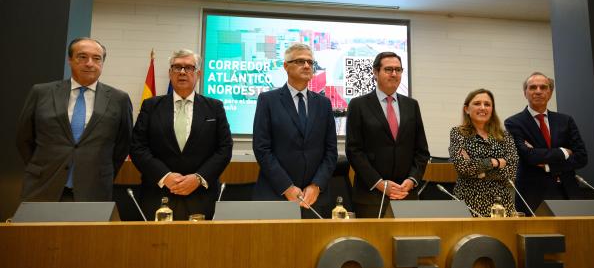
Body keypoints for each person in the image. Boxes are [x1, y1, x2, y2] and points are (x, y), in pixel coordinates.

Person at [16, 37, 133, 202]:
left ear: (102, 63)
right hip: (42, 186)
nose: (89, 63)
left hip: (94, 189)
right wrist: (42, 167)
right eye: (82, 57)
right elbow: (24, 138)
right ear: (70, 60)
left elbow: (123, 144)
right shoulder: (41, 92)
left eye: (96, 58)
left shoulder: (119, 99)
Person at [130, 49, 232, 220]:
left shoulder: (214, 107)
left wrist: (199, 178)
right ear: (170, 73)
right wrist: (165, 176)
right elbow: (137, 147)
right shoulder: (151, 106)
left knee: (201, 246)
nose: (182, 72)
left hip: (201, 196)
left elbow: (224, 149)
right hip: (158, 194)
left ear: (198, 74)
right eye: (177, 67)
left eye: (189, 68)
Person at [252, 43, 338, 218]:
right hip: (276, 194)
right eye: (300, 61)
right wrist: (287, 187)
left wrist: (316, 185)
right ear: (285, 66)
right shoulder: (268, 100)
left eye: (310, 62)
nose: (307, 66)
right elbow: (262, 148)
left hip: (315, 198)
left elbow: (331, 151)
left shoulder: (323, 103)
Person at [345, 52, 430, 218]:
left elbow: (421, 150)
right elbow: (354, 150)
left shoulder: (411, 105)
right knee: (372, 244)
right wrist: (379, 184)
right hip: (371, 196)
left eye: (398, 70)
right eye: (388, 69)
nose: (394, 74)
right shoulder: (358, 105)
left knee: (408, 243)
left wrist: (412, 181)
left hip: (406, 194)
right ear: (375, 73)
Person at [504, 72, 587, 213]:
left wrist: (548, 166)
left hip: (567, 191)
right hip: (532, 194)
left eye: (543, 87)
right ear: (525, 92)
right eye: (533, 87)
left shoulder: (565, 121)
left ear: (550, 92)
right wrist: (563, 151)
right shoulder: (513, 122)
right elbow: (528, 156)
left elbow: (581, 157)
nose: (538, 91)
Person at [449, 88, 518, 217]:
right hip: (468, 202)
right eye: (477, 103)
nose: (483, 107)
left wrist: (479, 172)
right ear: (466, 109)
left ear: (492, 109)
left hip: (502, 204)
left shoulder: (504, 135)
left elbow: (512, 171)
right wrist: (496, 162)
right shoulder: (458, 133)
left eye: (487, 104)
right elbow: (463, 167)